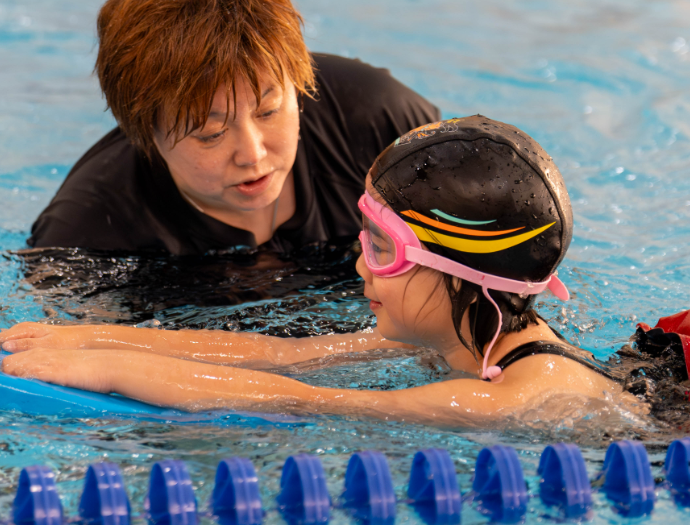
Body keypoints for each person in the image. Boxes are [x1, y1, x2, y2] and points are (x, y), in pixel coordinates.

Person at [2, 116, 657, 427]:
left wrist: (110, 372)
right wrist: (81, 340)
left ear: (455, 271)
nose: (358, 262)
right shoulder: (466, 337)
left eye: (380, 247)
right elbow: (276, 357)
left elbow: (303, 400)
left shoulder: (520, 394)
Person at [28, 0, 439, 256]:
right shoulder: (87, 235)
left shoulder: (381, 124)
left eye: (269, 110)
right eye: (210, 133)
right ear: (146, 135)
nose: (252, 153)